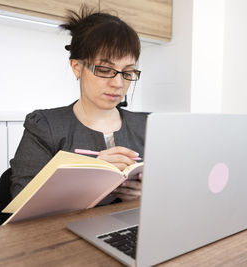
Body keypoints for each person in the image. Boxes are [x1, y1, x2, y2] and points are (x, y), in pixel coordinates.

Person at [9, 6, 148, 203]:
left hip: (132, 231)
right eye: (104, 69)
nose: (118, 83)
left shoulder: (150, 126)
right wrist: (89, 181)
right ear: (77, 67)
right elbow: (22, 200)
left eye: (127, 72)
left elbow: (177, 189)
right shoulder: (45, 127)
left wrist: (146, 194)